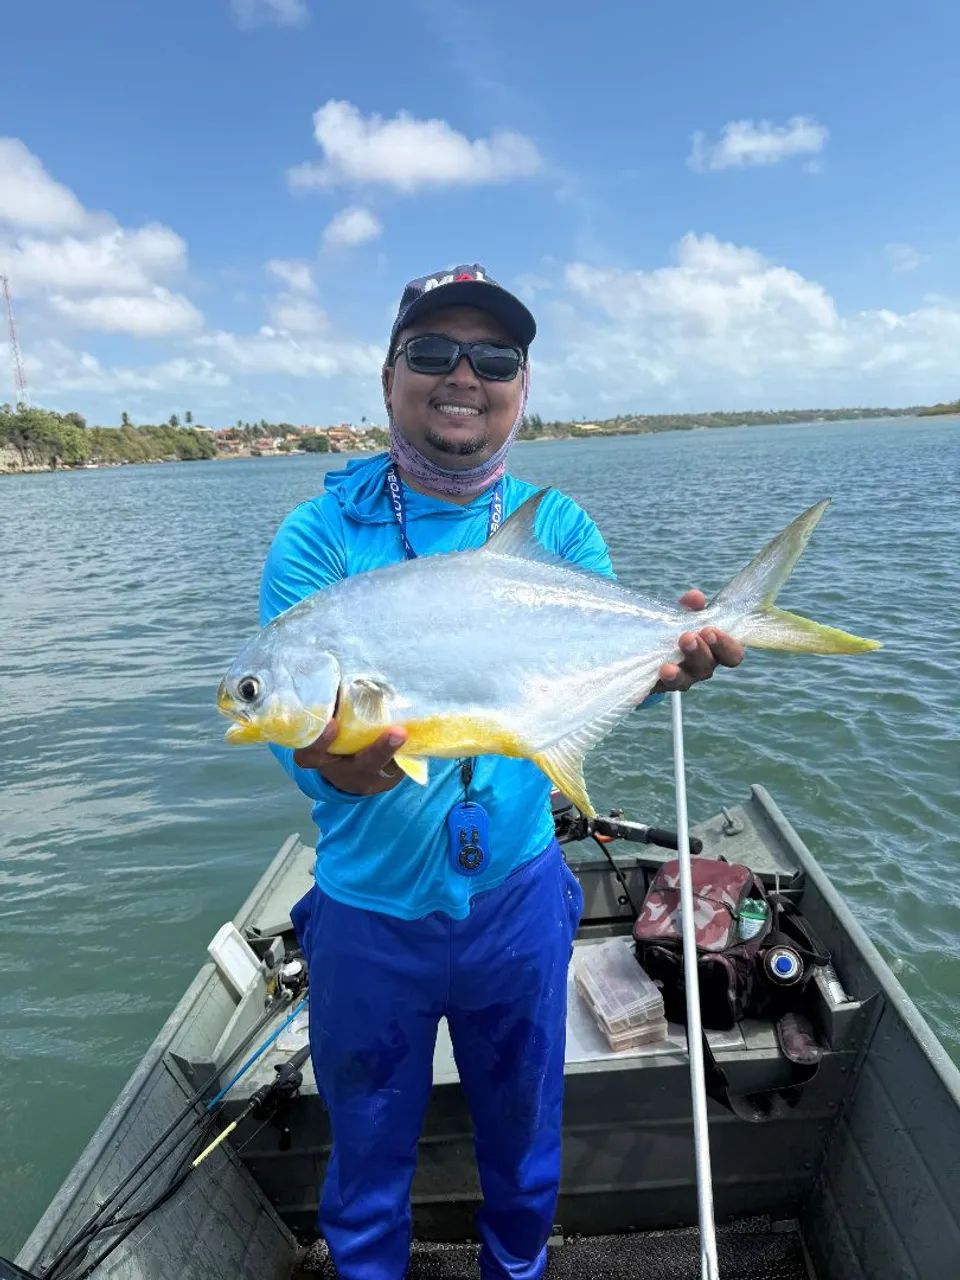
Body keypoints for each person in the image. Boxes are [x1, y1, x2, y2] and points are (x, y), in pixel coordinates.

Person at [260, 265, 744, 1280]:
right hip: (368, 915)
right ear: (389, 377)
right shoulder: (319, 537)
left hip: (518, 897)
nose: (464, 375)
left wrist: (668, 666)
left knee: (525, 1145)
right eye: (433, 351)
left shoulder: (555, 526)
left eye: (494, 357)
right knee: (366, 1159)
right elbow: (304, 748)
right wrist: (344, 767)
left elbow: (580, 687)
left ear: (523, 385)